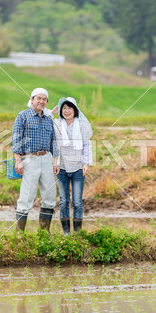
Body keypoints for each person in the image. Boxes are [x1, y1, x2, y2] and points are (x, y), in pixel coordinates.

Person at [12, 88, 59, 233]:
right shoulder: (23, 116)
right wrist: (18, 160)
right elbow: (16, 138)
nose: (42, 101)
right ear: (32, 99)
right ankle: (20, 233)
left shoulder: (48, 118)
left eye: (45, 99)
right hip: (29, 159)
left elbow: (53, 140)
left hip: (47, 158)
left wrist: (55, 161)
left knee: (50, 195)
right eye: (39, 98)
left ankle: (45, 232)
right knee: (27, 195)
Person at [51, 97, 92, 235]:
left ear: (75, 110)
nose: (67, 111)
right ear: (61, 111)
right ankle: (66, 233)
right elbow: (44, 120)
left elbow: (86, 145)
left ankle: (78, 233)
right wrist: (52, 112)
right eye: (64, 108)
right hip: (61, 167)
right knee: (63, 201)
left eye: (69, 108)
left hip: (78, 168)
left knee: (77, 202)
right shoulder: (56, 124)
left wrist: (86, 163)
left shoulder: (82, 126)